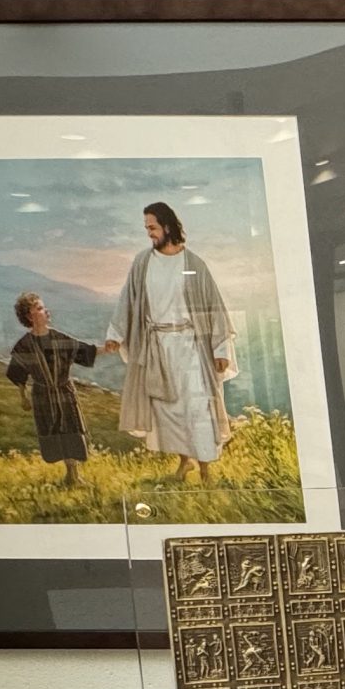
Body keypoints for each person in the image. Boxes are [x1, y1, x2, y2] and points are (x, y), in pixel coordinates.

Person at [99, 200, 235, 483]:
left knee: (197, 406)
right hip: (157, 348)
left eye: (152, 227)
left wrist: (220, 349)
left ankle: (206, 469)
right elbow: (128, 299)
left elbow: (214, 307)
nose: (149, 233)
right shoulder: (143, 262)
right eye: (146, 228)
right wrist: (116, 334)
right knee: (168, 410)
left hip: (191, 347)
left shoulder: (193, 263)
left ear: (168, 226)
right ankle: (184, 463)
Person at [1, 293, 99, 487]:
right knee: (54, 433)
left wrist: (109, 348)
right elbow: (17, 372)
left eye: (43, 308)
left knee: (71, 430)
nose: (45, 311)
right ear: (29, 316)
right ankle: (69, 476)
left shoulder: (58, 338)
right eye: (39, 308)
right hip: (42, 396)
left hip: (64, 393)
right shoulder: (24, 346)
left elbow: (83, 351)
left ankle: (74, 476)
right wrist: (23, 397)